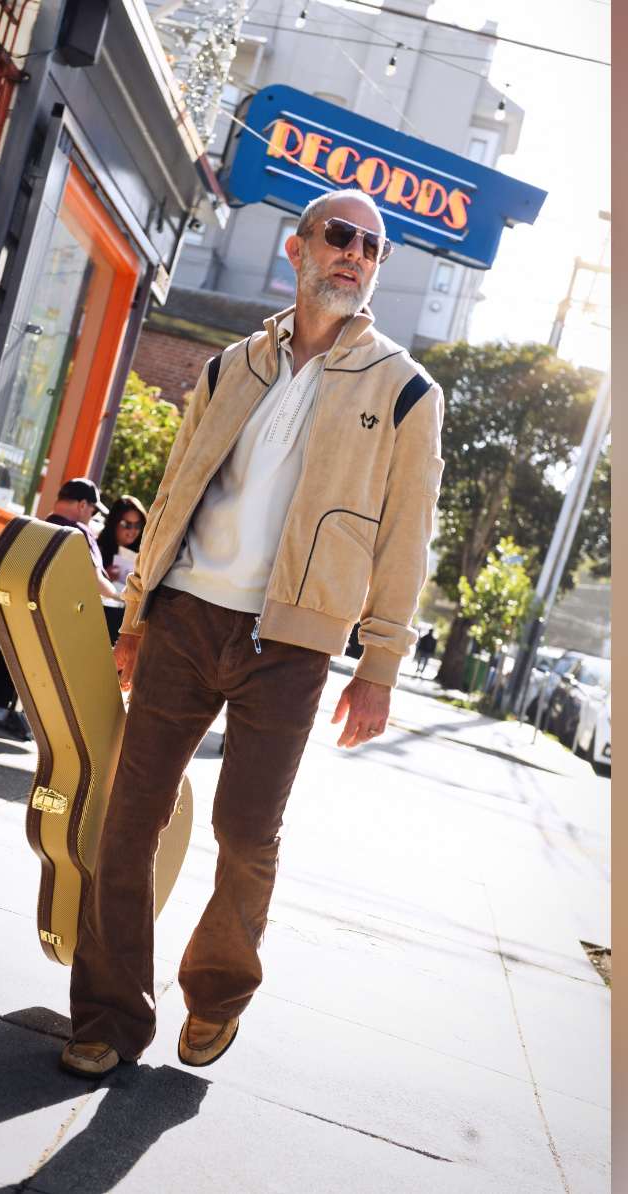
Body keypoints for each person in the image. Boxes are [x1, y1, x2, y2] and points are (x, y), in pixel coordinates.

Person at [59, 189, 445, 1077]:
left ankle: (217, 994)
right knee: (128, 820)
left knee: (245, 830)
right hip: (189, 614)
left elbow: (405, 537)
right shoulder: (230, 365)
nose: (355, 255)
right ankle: (110, 1017)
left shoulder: (404, 389)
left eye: (372, 248)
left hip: (295, 646)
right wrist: (141, 611)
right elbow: (176, 489)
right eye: (340, 237)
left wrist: (379, 662)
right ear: (297, 248)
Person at [0, 478, 123, 739]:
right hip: (52, 626)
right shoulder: (77, 534)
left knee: (17, 623)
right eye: (92, 510)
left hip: (3, 619)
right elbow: (97, 583)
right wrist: (122, 595)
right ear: (83, 505)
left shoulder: (28, 526)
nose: (91, 516)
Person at [95, 495, 148, 644]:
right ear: (114, 523)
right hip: (101, 620)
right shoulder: (97, 550)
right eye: (127, 524)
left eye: (138, 525)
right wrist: (104, 579)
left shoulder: (144, 553)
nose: (133, 531)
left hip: (127, 624)